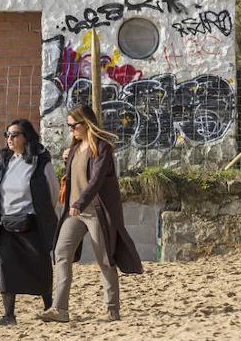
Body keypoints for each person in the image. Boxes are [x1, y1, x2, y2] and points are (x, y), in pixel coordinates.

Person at [39, 105, 143, 323]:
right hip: (74, 212)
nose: (70, 130)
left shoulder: (103, 148)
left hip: (96, 211)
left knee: (104, 258)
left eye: (73, 126)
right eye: (68, 126)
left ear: (86, 123)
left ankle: (112, 310)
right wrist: (67, 161)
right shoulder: (75, 149)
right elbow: (74, 178)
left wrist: (80, 201)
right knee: (61, 254)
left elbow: (95, 181)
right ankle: (60, 309)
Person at [0, 118, 59, 325]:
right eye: (7, 135)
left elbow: (53, 192)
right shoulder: (5, 161)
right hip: (6, 224)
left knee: (40, 266)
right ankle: (9, 314)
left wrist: (41, 213)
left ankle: (49, 307)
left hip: (30, 223)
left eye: (14, 135)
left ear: (26, 137)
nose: (9, 139)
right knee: (6, 269)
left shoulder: (40, 162)